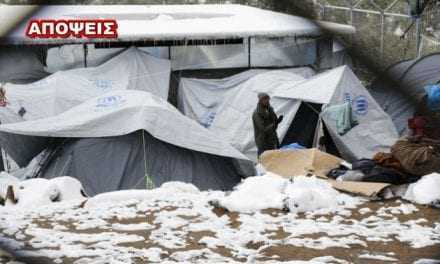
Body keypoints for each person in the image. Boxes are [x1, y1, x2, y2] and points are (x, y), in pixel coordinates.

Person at [252, 93, 283, 157]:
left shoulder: (270, 109)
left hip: (272, 138)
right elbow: (263, 128)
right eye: (265, 99)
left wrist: (277, 121)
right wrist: (274, 124)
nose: (267, 101)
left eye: (268, 99)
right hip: (263, 140)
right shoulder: (257, 113)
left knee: (274, 157)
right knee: (263, 158)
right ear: (260, 100)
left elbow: (273, 120)